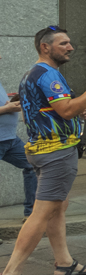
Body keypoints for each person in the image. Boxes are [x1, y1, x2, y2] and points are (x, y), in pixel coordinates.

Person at [1, 27, 86, 275]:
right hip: (56, 153)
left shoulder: (33, 73)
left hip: (41, 150)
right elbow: (66, 108)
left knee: (58, 206)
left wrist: (75, 113)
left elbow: (54, 110)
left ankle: (64, 263)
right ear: (45, 47)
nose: (70, 47)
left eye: (70, 42)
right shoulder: (49, 74)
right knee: (41, 213)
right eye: (64, 43)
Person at [0, 56, 37, 218]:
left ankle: (31, 215)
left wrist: (10, 104)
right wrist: (6, 109)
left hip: (9, 139)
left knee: (32, 165)